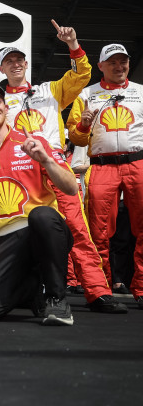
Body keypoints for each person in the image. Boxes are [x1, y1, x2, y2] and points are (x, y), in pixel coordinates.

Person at [0, 21, 125, 313]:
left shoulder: (51, 89)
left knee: (78, 227)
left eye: (19, 59)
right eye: (9, 61)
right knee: (16, 228)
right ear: (2, 68)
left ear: (26, 64)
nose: (15, 64)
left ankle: (98, 292)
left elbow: (83, 73)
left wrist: (72, 44)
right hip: (19, 169)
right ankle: (20, 290)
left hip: (55, 163)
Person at [0, 83, 79, 325]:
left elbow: (71, 187)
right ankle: (31, 287)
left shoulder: (34, 142)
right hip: (6, 239)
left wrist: (46, 160)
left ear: (6, 108)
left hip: (44, 230)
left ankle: (57, 299)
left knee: (41, 216)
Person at [67, 43, 143, 310]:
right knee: (97, 231)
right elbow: (75, 138)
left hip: (138, 163)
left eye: (123, 61)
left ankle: (142, 288)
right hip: (100, 166)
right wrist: (84, 124)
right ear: (100, 66)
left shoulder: (141, 92)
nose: (119, 66)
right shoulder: (86, 94)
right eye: (112, 62)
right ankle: (100, 289)